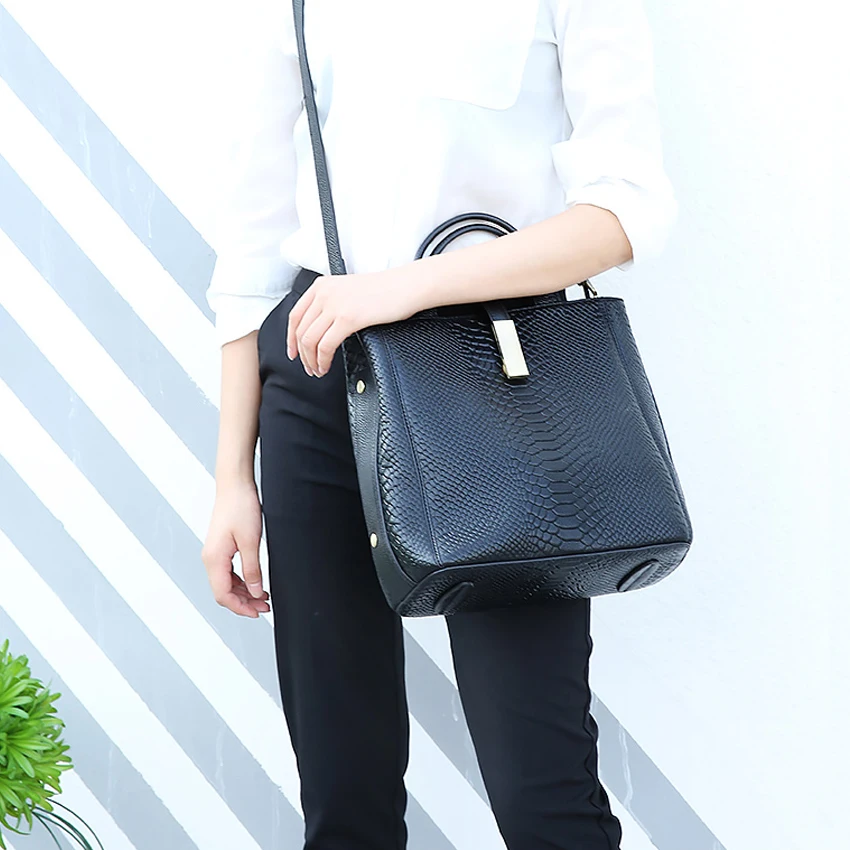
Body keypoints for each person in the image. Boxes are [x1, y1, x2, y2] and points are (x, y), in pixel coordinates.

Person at [201, 0, 677, 847]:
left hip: (499, 373)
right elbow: (254, 238)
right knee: (342, 794)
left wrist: (403, 288)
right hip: (317, 371)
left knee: (542, 791)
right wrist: (232, 476)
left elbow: (624, 210)